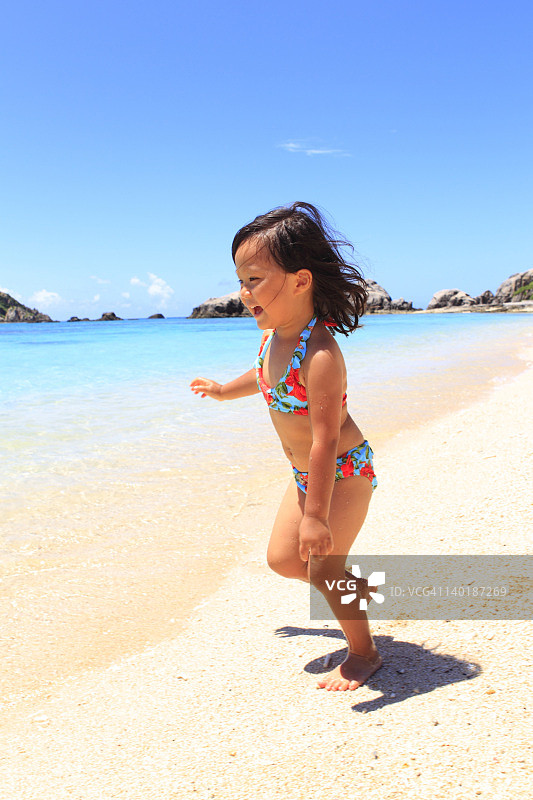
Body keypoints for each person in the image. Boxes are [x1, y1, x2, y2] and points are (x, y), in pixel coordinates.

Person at [190, 202, 382, 691]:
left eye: (254, 279)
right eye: (241, 280)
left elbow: (324, 441)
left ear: (300, 281)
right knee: (283, 561)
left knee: (323, 565)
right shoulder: (274, 337)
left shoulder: (319, 353)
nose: (243, 292)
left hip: (342, 468)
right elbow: (262, 380)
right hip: (307, 474)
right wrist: (220, 391)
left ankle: (364, 651)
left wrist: (315, 515)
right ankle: (348, 591)